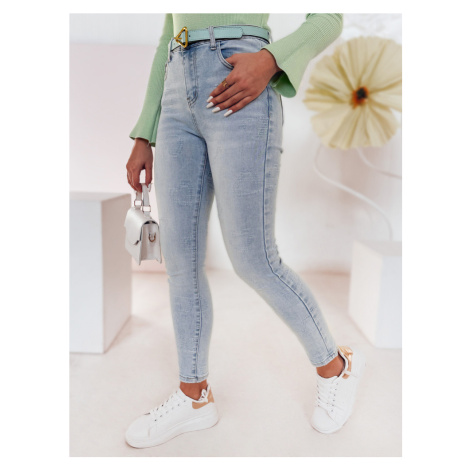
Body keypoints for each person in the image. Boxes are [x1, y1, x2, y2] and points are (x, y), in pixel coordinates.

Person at [124, 13, 366, 449]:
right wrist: (144, 131)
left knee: (254, 259)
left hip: (239, 78)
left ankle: (336, 367)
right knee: (180, 261)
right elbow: (167, 35)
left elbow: (328, 17)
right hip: (177, 92)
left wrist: (271, 60)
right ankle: (194, 397)